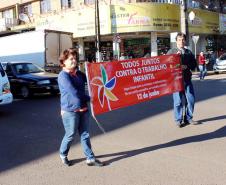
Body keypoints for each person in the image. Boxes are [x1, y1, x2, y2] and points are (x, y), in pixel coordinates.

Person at [58, 48, 104, 167]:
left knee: (85, 134)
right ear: (64, 61)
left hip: (83, 109)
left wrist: (92, 68)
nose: (74, 60)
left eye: (75, 58)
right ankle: (63, 154)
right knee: (70, 134)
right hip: (70, 111)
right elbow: (74, 92)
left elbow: (91, 77)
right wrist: (90, 98)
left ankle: (90, 158)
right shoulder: (63, 76)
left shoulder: (78, 73)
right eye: (71, 59)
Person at [167, 33, 198, 127]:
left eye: (183, 40)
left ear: (185, 41)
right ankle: (178, 120)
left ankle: (188, 118)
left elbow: (194, 65)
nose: (181, 41)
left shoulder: (188, 52)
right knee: (178, 102)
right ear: (176, 41)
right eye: (179, 40)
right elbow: (167, 65)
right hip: (176, 81)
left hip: (187, 80)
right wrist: (176, 61)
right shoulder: (171, 51)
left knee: (191, 99)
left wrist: (187, 66)